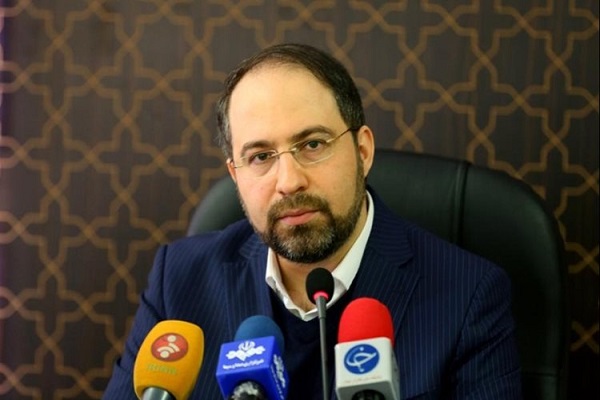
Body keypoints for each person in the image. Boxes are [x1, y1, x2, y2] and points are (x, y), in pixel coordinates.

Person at [104, 43, 521, 399]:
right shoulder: (179, 281)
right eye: (261, 157)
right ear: (236, 175)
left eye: (313, 145)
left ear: (362, 151)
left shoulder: (467, 296)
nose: (288, 181)